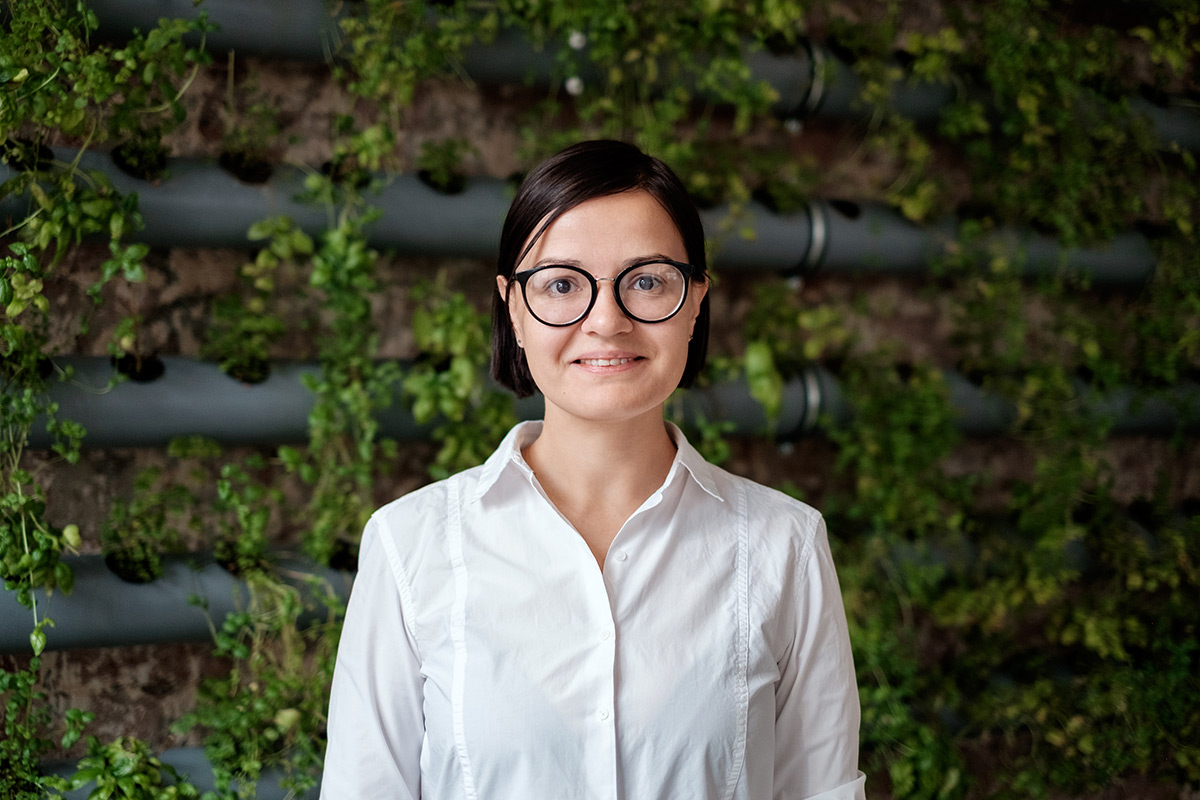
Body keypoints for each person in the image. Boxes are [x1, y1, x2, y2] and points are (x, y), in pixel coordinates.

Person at [321, 139, 865, 800]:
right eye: (561, 284)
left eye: (647, 281)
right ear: (512, 305)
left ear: (696, 299)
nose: (607, 321)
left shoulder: (786, 545)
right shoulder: (410, 544)